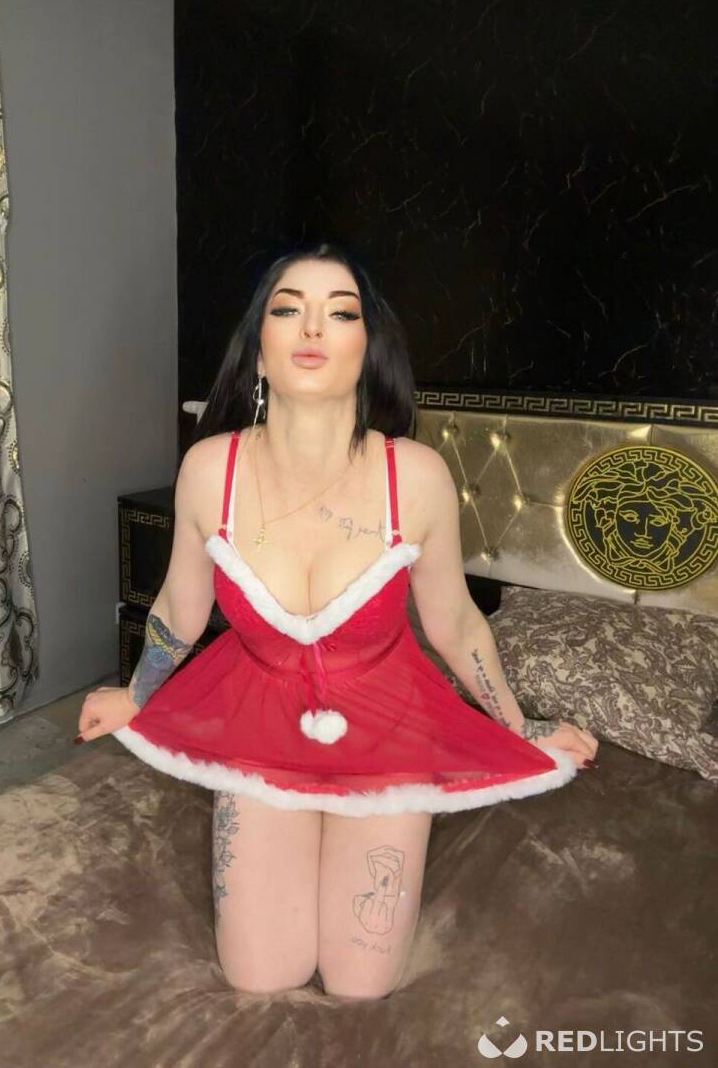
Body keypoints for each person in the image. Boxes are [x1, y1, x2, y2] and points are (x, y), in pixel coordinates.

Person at [76, 241, 598, 1001]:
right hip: (257, 718)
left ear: (367, 350)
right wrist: (135, 695)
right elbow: (180, 610)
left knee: (361, 983)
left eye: (341, 313)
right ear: (259, 352)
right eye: (288, 309)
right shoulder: (209, 469)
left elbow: (456, 624)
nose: (313, 327)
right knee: (260, 975)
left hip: (388, 726)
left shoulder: (415, 476)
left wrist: (519, 728)